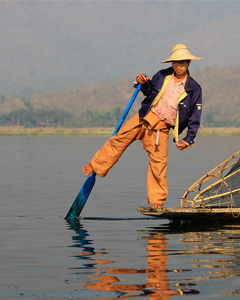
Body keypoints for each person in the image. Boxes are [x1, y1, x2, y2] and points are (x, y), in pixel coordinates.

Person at [83, 44, 203, 209]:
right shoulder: (162, 75)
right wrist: (141, 82)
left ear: (189, 63)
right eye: (175, 62)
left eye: (182, 62)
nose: (178, 66)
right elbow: (149, 91)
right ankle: (95, 165)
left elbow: (195, 117)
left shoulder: (193, 88)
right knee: (118, 140)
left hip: (161, 128)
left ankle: (157, 200)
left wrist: (188, 139)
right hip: (143, 117)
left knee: (158, 164)